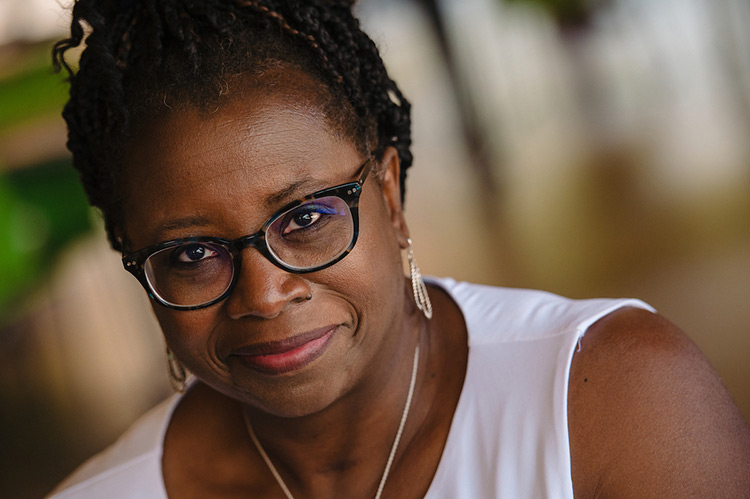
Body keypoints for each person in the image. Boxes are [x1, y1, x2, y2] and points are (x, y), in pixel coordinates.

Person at [49, 1, 750, 497]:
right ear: (136, 263)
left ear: (388, 194)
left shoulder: (615, 405)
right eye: (192, 254)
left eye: (307, 216)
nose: (263, 294)